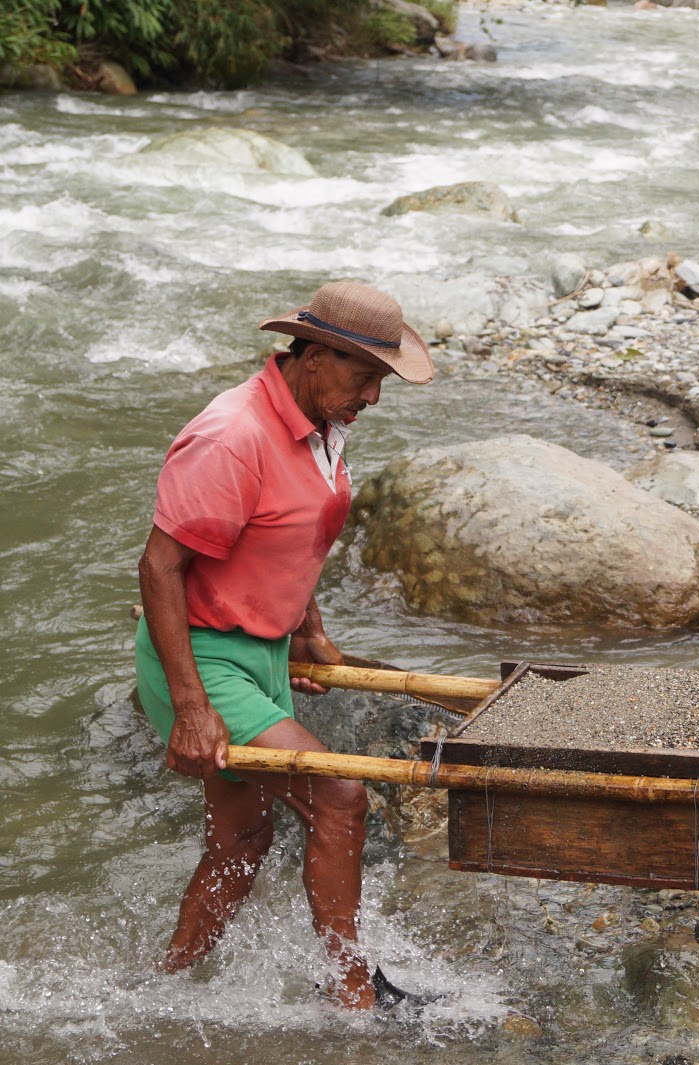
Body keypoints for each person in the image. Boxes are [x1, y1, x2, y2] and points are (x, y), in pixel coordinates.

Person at [135, 282, 434, 1009]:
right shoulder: (233, 436)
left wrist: (307, 628)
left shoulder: (320, 419)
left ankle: (158, 991)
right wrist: (191, 705)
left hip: (259, 648)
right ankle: (354, 995)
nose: (374, 395)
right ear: (315, 354)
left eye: (381, 379)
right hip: (201, 657)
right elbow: (159, 567)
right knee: (339, 798)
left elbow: (290, 535)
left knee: (241, 840)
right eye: (365, 375)